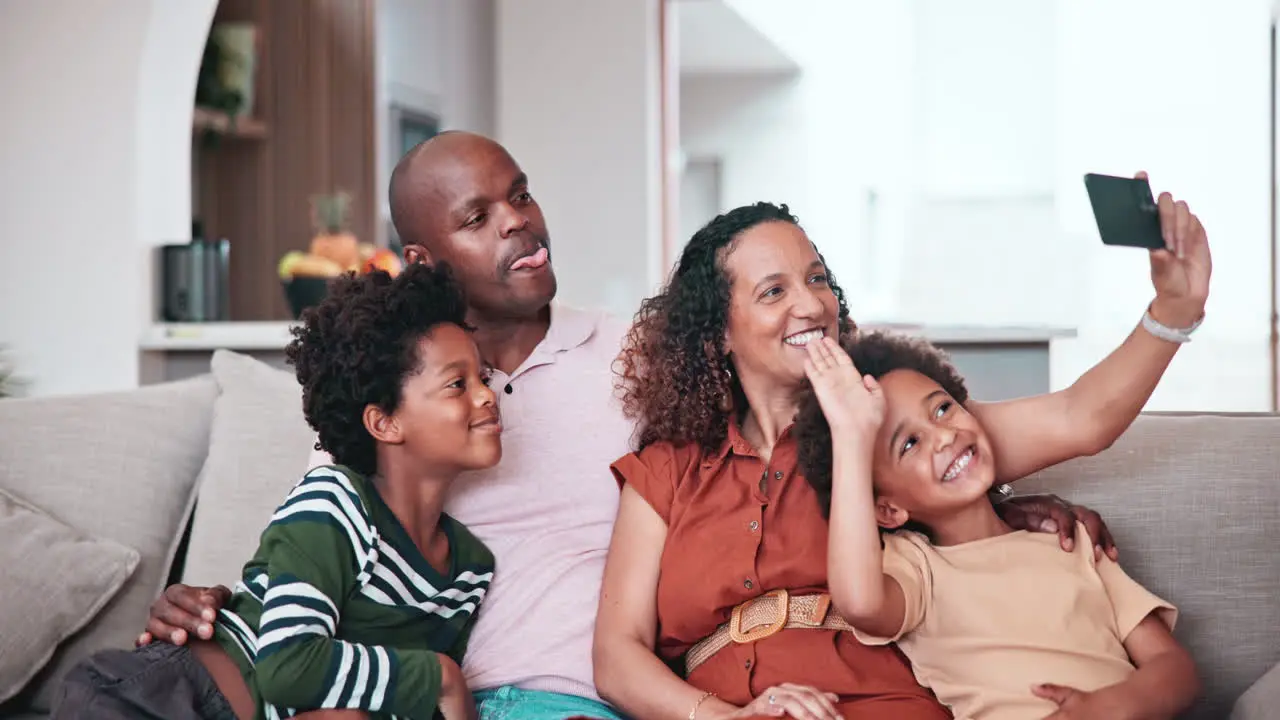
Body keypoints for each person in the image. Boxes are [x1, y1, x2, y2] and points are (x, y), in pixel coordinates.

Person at [138, 133, 1127, 720]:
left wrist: (981, 501)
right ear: (422, 256)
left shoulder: (644, 367)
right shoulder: (392, 397)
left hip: (565, 698)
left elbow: (864, 426)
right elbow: (324, 542)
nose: (520, 222)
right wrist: (217, 596)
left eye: (520, 194)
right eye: (480, 216)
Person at [594, 194, 1210, 719]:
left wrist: (1173, 313)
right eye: (773, 291)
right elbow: (617, 657)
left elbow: (1082, 418)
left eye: (816, 279)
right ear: (717, 334)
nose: (809, 305)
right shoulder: (667, 470)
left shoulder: (895, 423)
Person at [53, 263, 498, 720]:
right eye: (457, 384)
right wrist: (440, 677)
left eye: (483, 378)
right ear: (384, 422)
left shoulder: (470, 569)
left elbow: (400, 702)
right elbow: (287, 666)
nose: (486, 395)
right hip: (160, 698)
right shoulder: (335, 502)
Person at [794, 330, 1199, 720]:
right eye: (910, 444)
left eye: (942, 408)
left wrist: (1112, 708)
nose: (943, 435)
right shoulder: (916, 569)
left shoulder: (1069, 540)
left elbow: (1175, 670)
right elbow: (860, 604)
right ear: (887, 510)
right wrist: (851, 434)